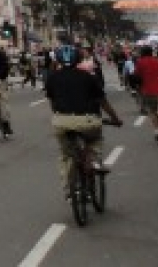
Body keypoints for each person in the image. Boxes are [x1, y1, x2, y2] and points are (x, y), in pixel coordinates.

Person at [44, 44, 123, 199]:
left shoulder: (52, 77)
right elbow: (102, 101)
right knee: (94, 140)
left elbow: (52, 102)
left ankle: (69, 190)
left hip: (62, 121)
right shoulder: (88, 77)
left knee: (66, 155)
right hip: (88, 120)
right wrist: (115, 119)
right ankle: (93, 162)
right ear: (79, 59)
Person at [132, 45, 158, 146]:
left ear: (142, 53)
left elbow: (136, 75)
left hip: (146, 91)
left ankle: (157, 131)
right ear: (152, 52)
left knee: (152, 111)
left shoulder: (140, 62)